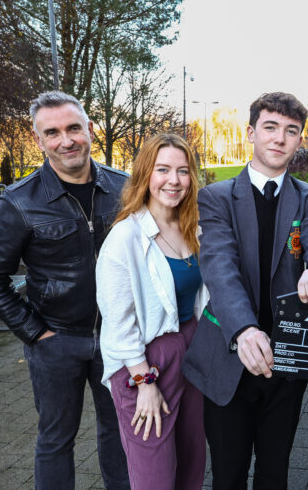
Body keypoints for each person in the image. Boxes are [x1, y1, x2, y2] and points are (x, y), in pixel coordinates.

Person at [181, 92, 308, 490]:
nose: (280, 138)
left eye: (291, 131)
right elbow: (219, 267)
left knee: (275, 473)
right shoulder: (216, 197)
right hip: (228, 357)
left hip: (285, 363)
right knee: (228, 474)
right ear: (251, 132)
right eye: (270, 128)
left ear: (299, 140)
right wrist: (244, 330)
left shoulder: (307, 197)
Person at [0, 91, 130, 490]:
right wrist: (36, 333)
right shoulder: (18, 201)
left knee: (122, 436)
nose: (66, 140)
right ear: (39, 139)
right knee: (56, 440)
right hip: (56, 342)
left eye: (74, 128)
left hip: (120, 339)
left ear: (89, 129)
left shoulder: (126, 189)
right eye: (53, 132)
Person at [96, 133, 208, 489]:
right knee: (154, 474)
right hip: (143, 361)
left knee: (192, 462)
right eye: (163, 170)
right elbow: (118, 321)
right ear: (146, 174)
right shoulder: (124, 237)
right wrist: (144, 382)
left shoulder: (192, 229)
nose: (173, 180)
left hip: (190, 348)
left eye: (182, 171)